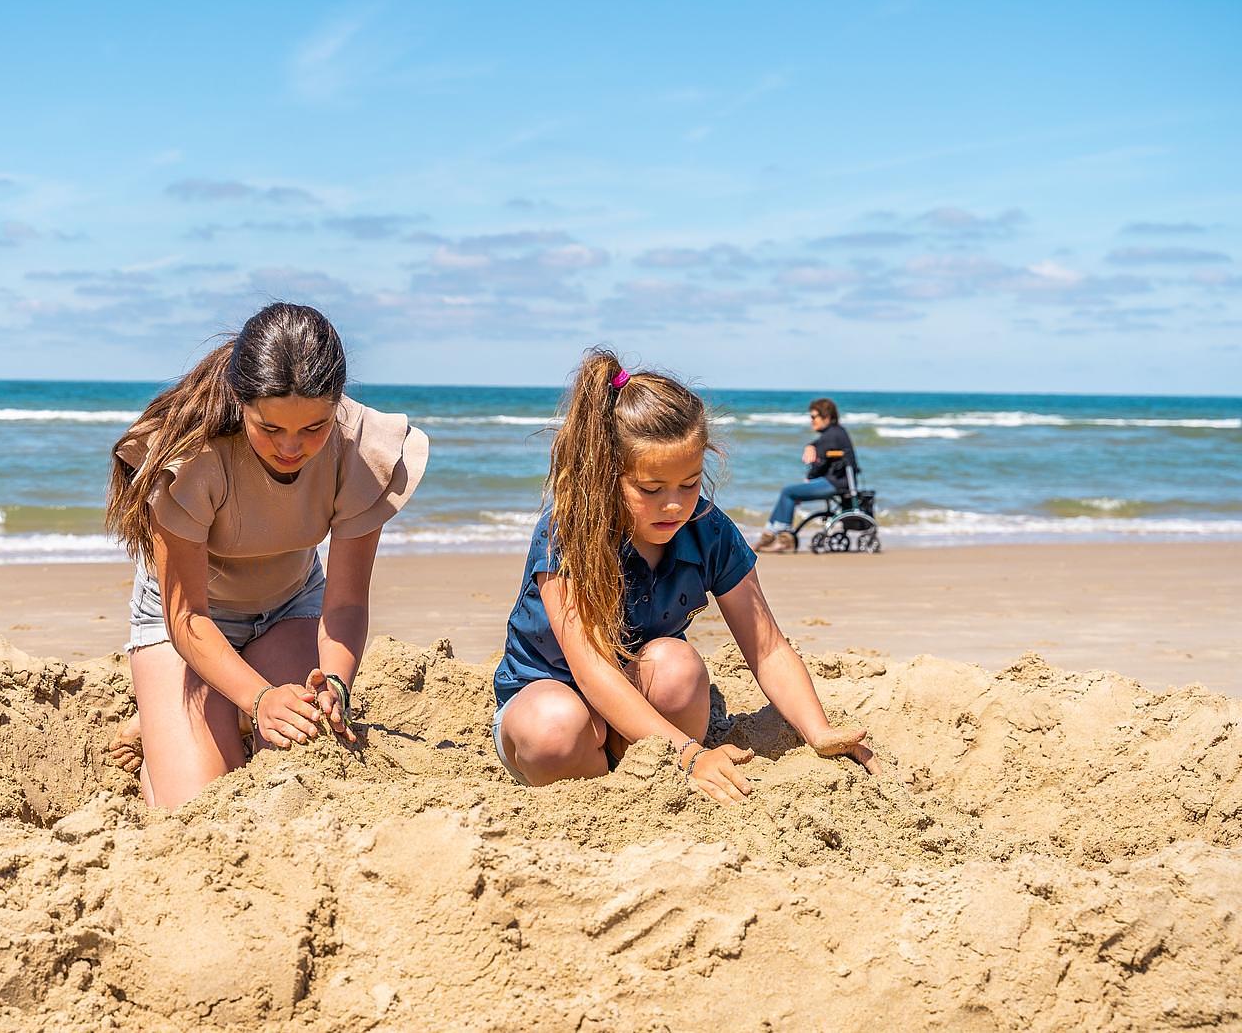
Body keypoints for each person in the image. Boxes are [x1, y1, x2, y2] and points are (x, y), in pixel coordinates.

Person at [492, 351, 877, 805]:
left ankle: (646, 777)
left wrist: (818, 731)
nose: (675, 505)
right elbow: (591, 668)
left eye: (690, 483)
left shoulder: (708, 530)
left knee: (677, 665)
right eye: (651, 489)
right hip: (549, 698)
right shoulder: (570, 531)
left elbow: (767, 646)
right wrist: (692, 754)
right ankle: (604, 789)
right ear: (605, 475)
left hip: (644, 701)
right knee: (555, 725)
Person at [103, 302, 428, 808]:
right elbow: (187, 616)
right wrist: (259, 699)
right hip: (187, 624)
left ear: (337, 403)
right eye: (270, 429)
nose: (292, 448)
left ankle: (203, 711)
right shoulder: (193, 456)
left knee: (307, 753)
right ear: (241, 401)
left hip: (289, 609)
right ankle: (171, 729)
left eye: (313, 428)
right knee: (199, 803)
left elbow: (344, 605)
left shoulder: (359, 447)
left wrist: (337, 682)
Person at [753, 397, 858, 553]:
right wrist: (811, 447)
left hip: (836, 483)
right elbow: (822, 455)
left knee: (789, 491)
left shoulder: (833, 434)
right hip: (833, 481)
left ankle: (783, 538)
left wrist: (810, 449)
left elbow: (820, 457)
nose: (811, 421)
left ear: (827, 417)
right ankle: (768, 536)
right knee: (788, 492)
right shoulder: (834, 433)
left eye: (814, 417)